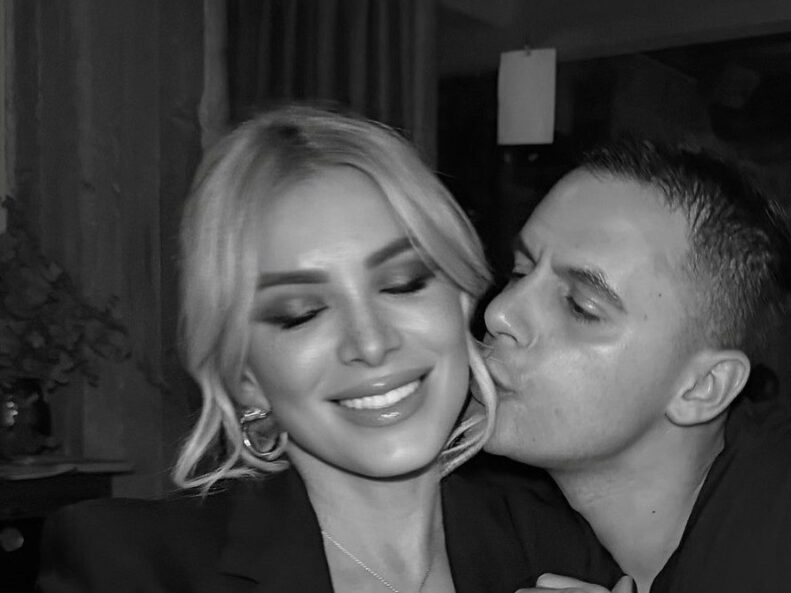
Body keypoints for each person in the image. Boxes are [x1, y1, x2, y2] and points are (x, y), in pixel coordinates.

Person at [37, 106, 621, 592]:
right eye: (301, 313)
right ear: (246, 377)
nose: (370, 342)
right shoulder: (129, 566)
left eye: (402, 283)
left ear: (462, 301)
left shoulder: (555, 543)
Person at [482, 139, 791, 593]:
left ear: (703, 387)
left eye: (580, 307)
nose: (499, 313)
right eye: (519, 272)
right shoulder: (472, 497)